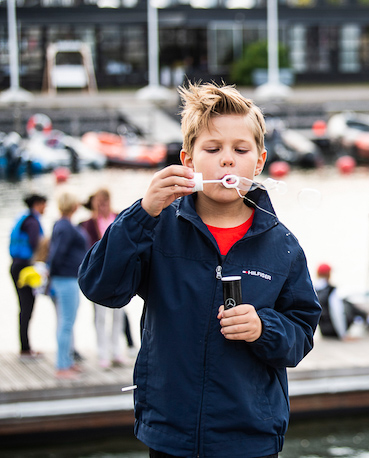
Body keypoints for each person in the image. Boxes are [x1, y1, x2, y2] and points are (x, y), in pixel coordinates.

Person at [78, 82, 321, 458]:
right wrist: (141, 213)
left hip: (250, 438)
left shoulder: (282, 245)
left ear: (259, 161)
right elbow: (100, 287)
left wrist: (263, 327)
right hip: (169, 434)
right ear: (188, 159)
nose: (227, 159)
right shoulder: (158, 226)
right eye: (212, 148)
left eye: (240, 150)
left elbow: (301, 332)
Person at [79, 188, 129, 369]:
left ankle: (116, 350)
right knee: (100, 316)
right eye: (99, 203)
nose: (102, 206)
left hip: (120, 272)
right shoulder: (88, 223)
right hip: (100, 274)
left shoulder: (118, 217)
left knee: (119, 315)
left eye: (104, 202)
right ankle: (103, 353)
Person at [48, 192, 90, 380]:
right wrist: (53, 274)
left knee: (67, 322)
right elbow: (58, 254)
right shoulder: (65, 227)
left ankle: (67, 361)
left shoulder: (62, 225)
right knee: (66, 323)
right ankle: (61, 365)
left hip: (66, 278)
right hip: (65, 279)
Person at [9, 193, 48, 360]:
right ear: (38, 204)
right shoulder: (32, 222)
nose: (45, 208)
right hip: (25, 268)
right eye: (44, 204)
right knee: (27, 307)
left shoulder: (24, 218)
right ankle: (25, 349)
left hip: (16, 265)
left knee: (24, 307)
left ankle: (25, 346)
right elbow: (36, 244)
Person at [314, 263, 368, 340]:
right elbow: (337, 313)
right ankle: (368, 321)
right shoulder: (330, 290)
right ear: (329, 274)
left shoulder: (314, 290)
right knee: (348, 304)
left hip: (324, 331)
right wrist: (343, 335)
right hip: (334, 331)